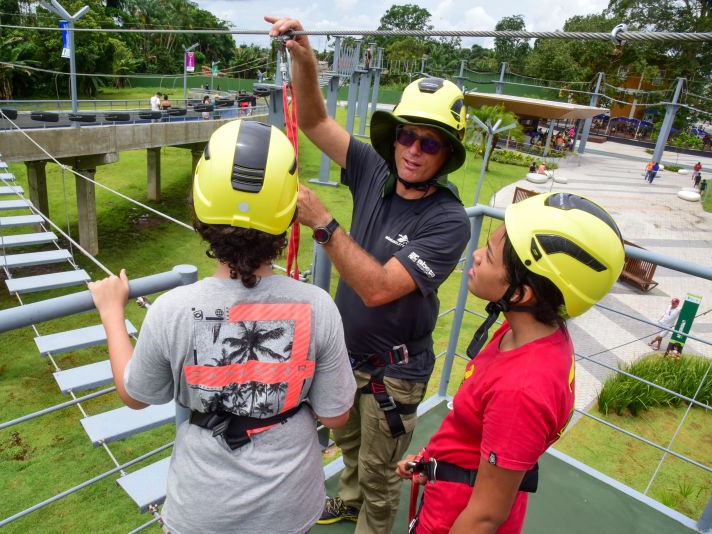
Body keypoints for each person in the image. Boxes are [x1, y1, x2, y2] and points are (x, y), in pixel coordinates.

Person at [88, 119, 356, 534]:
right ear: (288, 213)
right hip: (290, 504)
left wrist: (111, 314)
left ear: (200, 205)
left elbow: (135, 393)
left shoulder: (172, 309)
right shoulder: (318, 306)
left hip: (203, 509)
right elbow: (336, 416)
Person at [267, 16, 471, 533]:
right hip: (348, 356)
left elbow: (379, 288)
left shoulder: (447, 221)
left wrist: (324, 225)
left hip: (394, 374)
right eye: (408, 136)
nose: (413, 150)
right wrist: (305, 59)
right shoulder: (375, 170)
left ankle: (368, 511)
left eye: (429, 144)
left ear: (445, 155)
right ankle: (350, 497)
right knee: (351, 447)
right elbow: (314, 123)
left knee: (382, 480)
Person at [397, 192, 625, 534]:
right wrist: (431, 457)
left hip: (455, 516)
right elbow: (479, 429)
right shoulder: (527, 332)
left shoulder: (523, 390)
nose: (475, 255)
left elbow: (486, 516)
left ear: (520, 294)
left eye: (488, 256)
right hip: (455, 482)